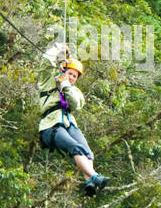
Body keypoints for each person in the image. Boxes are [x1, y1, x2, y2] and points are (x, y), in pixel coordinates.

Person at [37, 39, 109, 194]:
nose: (71, 78)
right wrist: (58, 48)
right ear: (63, 71)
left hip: (69, 123)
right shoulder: (48, 83)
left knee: (88, 152)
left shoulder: (74, 91)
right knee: (75, 147)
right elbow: (46, 62)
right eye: (69, 74)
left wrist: (66, 86)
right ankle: (95, 176)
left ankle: (89, 181)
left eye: (74, 76)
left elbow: (76, 104)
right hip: (51, 125)